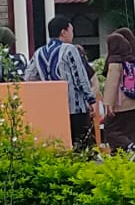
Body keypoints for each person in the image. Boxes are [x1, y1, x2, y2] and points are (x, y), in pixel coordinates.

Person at [26, 16, 97, 151]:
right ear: (63, 32)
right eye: (71, 31)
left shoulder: (39, 52)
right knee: (82, 146)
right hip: (75, 106)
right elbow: (80, 77)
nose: (72, 34)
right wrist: (91, 99)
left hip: (52, 108)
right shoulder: (69, 49)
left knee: (59, 146)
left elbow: (29, 77)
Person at [100, 31, 135, 153]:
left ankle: (129, 147)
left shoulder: (115, 61)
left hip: (121, 105)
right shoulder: (132, 60)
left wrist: (108, 104)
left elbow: (112, 84)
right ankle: (127, 153)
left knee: (110, 130)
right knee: (130, 131)